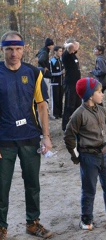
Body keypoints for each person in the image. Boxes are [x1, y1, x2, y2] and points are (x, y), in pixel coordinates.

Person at [0, 31, 52, 239]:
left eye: (18, 49)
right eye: (9, 49)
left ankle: (33, 223)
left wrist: (46, 136)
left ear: (24, 49)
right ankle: (1, 227)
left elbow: (41, 106)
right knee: (2, 187)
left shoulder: (34, 73)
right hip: (3, 140)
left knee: (32, 183)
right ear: (2, 50)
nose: (14, 53)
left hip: (30, 137)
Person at [64, 77, 106, 231]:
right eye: (99, 92)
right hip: (89, 156)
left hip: (105, 154)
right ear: (89, 95)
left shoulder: (102, 110)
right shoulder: (78, 114)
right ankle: (86, 218)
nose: (102, 95)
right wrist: (76, 156)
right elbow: (68, 136)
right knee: (89, 189)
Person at [62, 38, 82, 131]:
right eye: (75, 45)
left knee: (77, 104)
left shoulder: (73, 55)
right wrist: (67, 44)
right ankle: (67, 125)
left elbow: (74, 47)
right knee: (70, 104)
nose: (77, 47)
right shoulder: (66, 54)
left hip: (76, 83)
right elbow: (70, 46)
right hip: (70, 83)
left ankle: (76, 124)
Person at [50, 46, 64, 119]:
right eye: (59, 51)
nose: (60, 53)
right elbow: (51, 73)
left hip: (61, 83)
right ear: (55, 52)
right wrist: (61, 73)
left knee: (60, 99)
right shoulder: (52, 61)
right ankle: (55, 114)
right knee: (55, 99)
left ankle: (60, 113)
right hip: (54, 83)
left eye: (61, 51)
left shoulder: (61, 61)